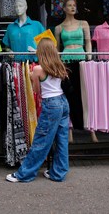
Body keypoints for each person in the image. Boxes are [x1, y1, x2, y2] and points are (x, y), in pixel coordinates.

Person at [6, 38, 70, 182]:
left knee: (41, 140)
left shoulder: (38, 69)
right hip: (63, 102)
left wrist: (30, 77)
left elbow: (37, 91)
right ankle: (58, 173)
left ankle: (24, 174)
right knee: (62, 140)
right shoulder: (60, 66)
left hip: (51, 104)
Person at [54, 0, 97, 143]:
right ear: (64, 9)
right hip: (66, 61)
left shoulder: (83, 23)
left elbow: (88, 42)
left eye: (74, 5)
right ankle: (70, 131)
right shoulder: (59, 28)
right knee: (69, 94)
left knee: (86, 93)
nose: (72, 8)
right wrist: (58, 64)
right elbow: (57, 48)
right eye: (69, 6)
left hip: (82, 60)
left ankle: (91, 129)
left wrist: (89, 58)